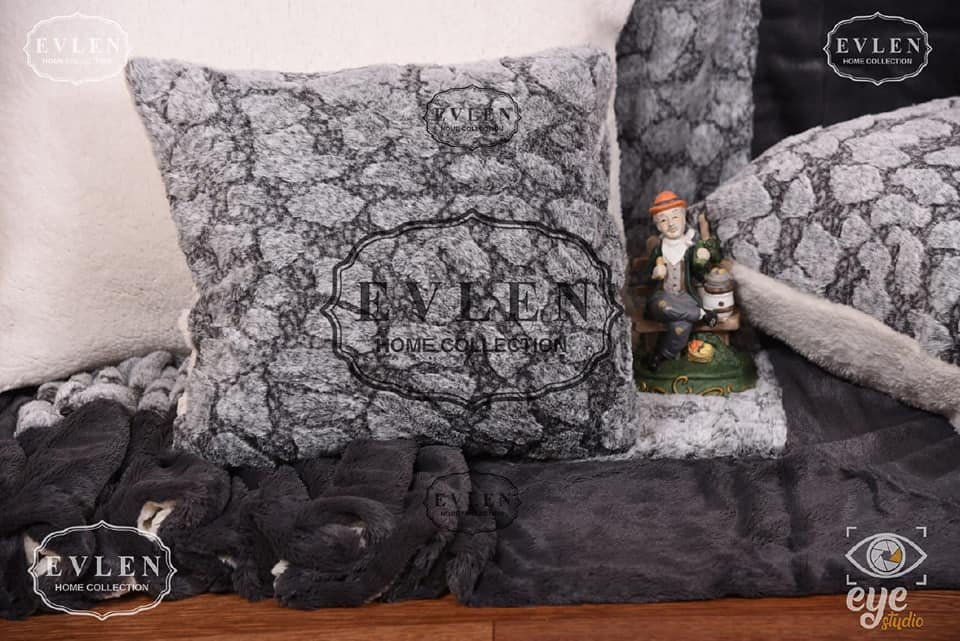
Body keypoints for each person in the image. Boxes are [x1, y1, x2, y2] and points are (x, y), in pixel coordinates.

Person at [644, 191, 718, 371]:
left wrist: (702, 259)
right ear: (658, 225)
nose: (670, 224)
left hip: (685, 298)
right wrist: (655, 273)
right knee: (665, 307)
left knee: (681, 326)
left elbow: (700, 273)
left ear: (684, 218)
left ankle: (661, 355)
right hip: (662, 298)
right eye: (663, 220)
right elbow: (645, 277)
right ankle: (701, 314)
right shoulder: (658, 249)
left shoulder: (690, 248)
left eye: (675, 217)